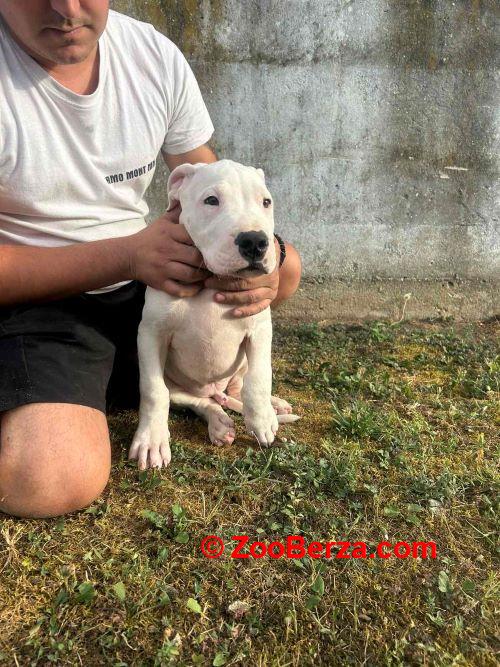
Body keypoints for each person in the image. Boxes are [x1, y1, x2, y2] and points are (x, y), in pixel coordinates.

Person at [0, 1, 301, 519]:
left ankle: (187, 388)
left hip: (147, 279)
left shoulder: (152, 56)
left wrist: (273, 254)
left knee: (286, 271)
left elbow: (213, 183)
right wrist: (128, 255)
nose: (66, 8)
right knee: (49, 477)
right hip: (41, 297)